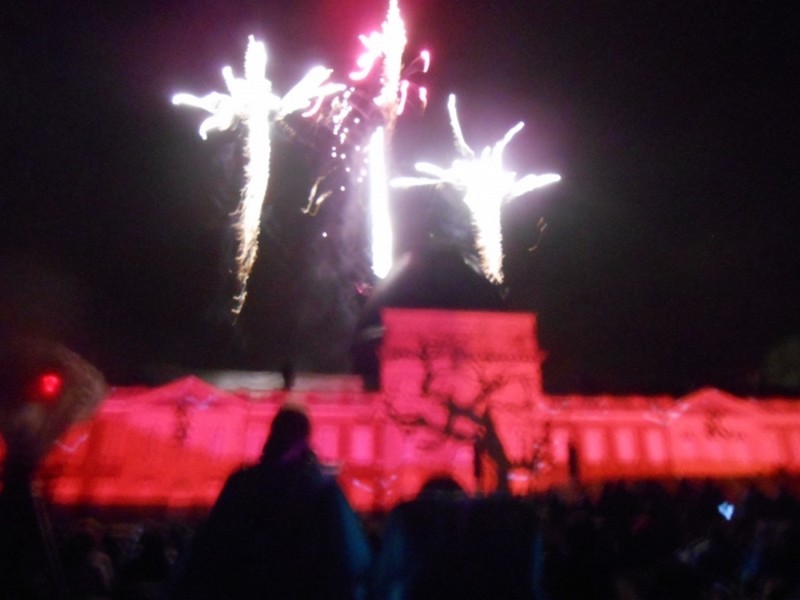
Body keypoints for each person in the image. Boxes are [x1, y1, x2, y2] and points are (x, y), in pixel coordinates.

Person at [169, 401, 372, 599]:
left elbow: (209, 548)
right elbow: (354, 557)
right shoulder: (322, 489)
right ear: (305, 441)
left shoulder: (242, 483)